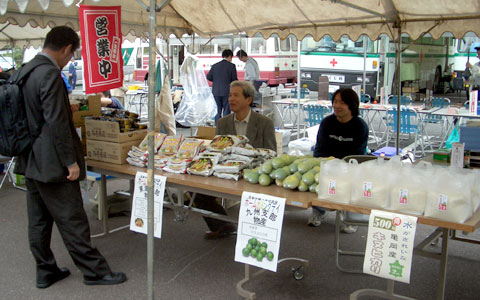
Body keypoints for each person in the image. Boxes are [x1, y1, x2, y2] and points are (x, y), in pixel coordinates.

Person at [13, 26, 126, 288]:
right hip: (52, 161)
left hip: (29, 158)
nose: (68, 60)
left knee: (39, 220)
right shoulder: (50, 74)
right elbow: (57, 123)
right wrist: (70, 161)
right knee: (72, 217)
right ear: (66, 49)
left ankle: (45, 270)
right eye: (71, 54)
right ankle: (94, 271)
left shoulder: (25, 70)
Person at [196, 80, 277, 239]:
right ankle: (222, 225)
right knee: (199, 193)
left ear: (248, 99)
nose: (231, 99)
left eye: (236, 96)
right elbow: (217, 150)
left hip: (254, 174)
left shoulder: (264, 123)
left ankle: (258, 234)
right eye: (230, 95)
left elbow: (271, 153)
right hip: (227, 172)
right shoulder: (222, 122)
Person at [309, 88, 369, 233]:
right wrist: (322, 165)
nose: (337, 106)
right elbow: (319, 149)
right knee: (314, 178)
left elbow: (358, 155)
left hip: (349, 168)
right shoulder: (327, 123)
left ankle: (349, 215)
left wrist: (341, 168)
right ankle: (319, 210)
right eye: (335, 102)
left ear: (352, 105)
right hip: (327, 165)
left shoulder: (360, 126)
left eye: (342, 102)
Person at [206, 49, 238, 123]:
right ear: (230, 56)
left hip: (216, 92)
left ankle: (218, 128)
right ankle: (225, 127)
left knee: (217, 110)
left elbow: (208, 77)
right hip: (227, 92)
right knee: (227, 110)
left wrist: (216, 80)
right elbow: (234, 80)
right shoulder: (231, 66)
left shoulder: (215, 66)